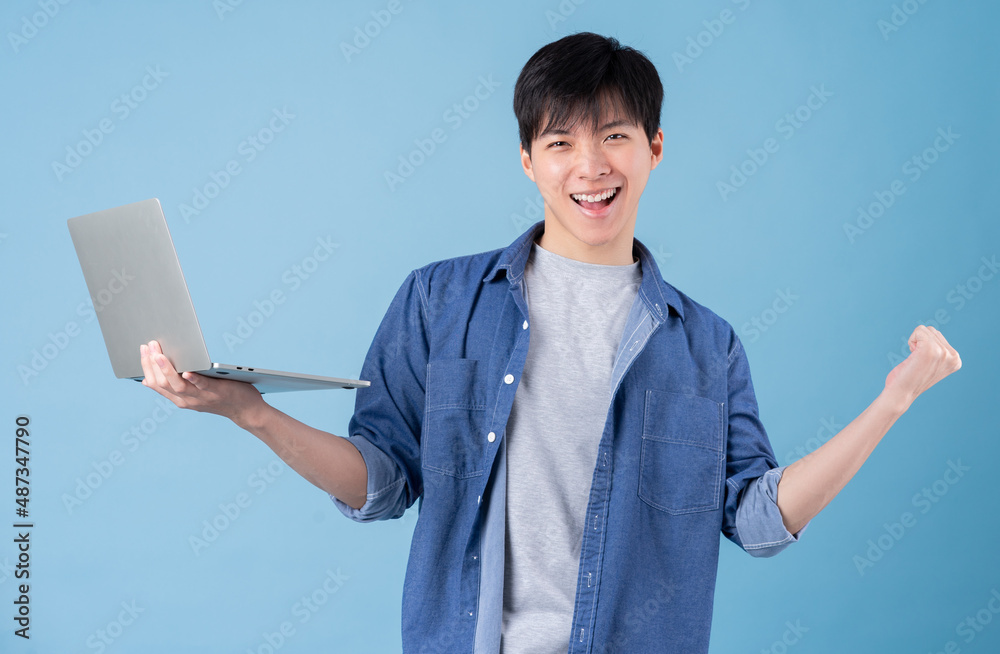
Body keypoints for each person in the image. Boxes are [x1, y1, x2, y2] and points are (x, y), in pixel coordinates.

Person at [139, 32, 961, 654]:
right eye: (561, 142)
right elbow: (382, 481)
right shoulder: (440, 300)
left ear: (655, 148)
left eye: (613, 136)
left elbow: (754, 519)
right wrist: (252, 416)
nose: (590, 165)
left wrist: (893, 402)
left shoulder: (706, 345)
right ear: (528, 160)